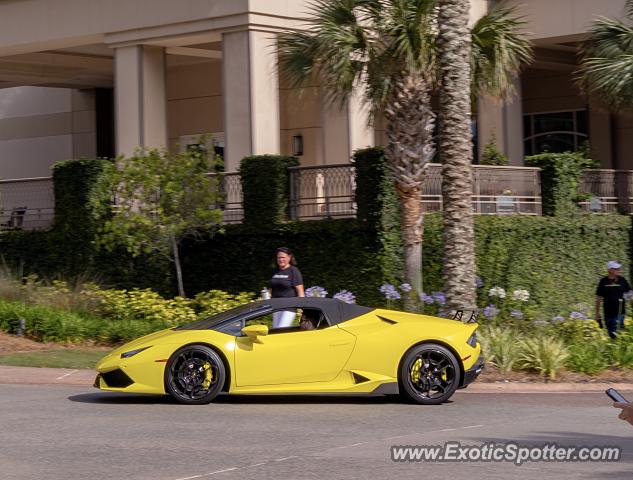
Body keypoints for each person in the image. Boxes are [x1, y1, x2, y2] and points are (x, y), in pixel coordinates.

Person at [270, 247, 304, 328]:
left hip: (289, 307)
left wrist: (303, 308)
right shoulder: (275, 271)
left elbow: (300, 291)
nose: (281, 259)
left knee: (281, 328)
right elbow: (271, 288)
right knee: (275, 329)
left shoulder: (294, 271)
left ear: (289, 258)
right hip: (276, 306)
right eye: (279, 257)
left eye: (283, 257)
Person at [595, 260, 631, 339]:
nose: (618, 270)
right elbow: (598, 298)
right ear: (609, 270)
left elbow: (630, 294)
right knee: (611, 335)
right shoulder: (603, 281)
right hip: (607, 314)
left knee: (617, 334)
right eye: (616, 268)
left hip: (619, 313)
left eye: (618, 268)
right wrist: (597, 314)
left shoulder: (622, 280)